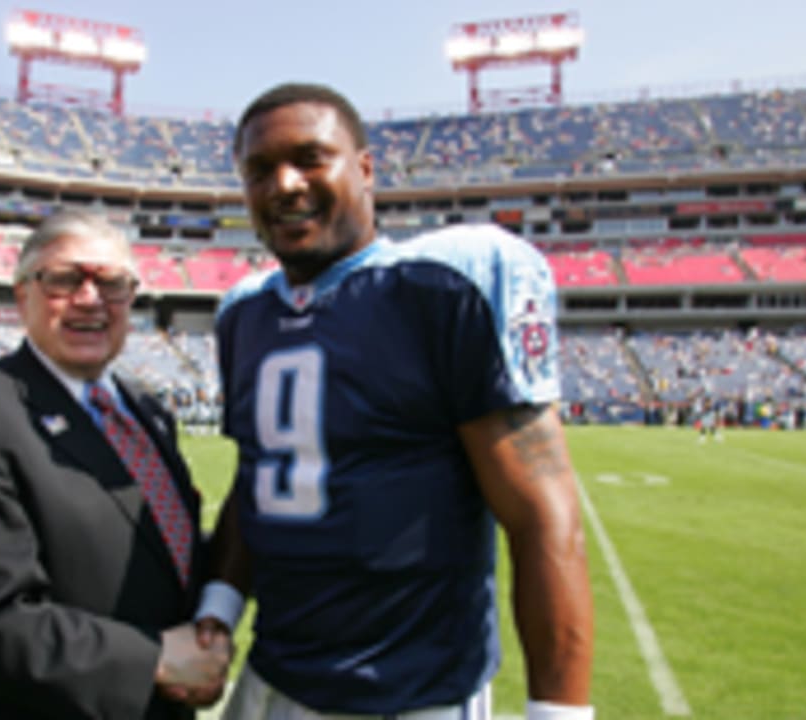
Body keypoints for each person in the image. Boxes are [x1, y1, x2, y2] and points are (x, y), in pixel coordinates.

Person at [197, 83, 595, 719]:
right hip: (274, 678)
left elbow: (543, 515)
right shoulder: (244, 314)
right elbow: (260, 480)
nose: (285, 184)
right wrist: (217, 612)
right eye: (259, 170)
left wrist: (559, 714)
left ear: (365, 168)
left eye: (309, 157)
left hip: (414, 694)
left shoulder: (444, 283)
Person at [0, 209, 226, 719]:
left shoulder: (147, 411)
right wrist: (153, 661)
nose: (90, 298)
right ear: (21, 296)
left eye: (112, 283)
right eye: (64, 279)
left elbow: (162, 558)